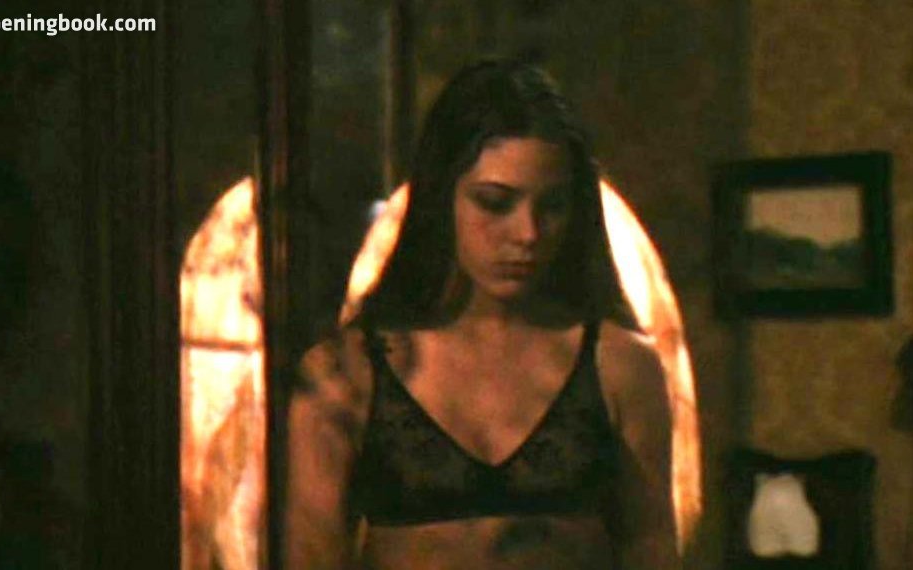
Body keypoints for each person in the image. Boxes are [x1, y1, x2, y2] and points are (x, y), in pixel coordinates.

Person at [283, 59, 679, 570]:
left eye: (552, 206)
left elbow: (653, 551)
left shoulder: (619, 367)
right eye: (495, 202)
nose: (528, 233)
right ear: (439, 199)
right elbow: (309, 557)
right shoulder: (347, 374)